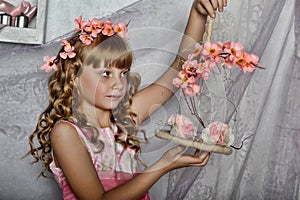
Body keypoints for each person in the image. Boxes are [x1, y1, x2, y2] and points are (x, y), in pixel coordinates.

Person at [28, 0, 227, 199]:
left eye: (123, 73)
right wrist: (162, 166)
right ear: (74, 75)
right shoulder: (66, 133)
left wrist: (197, 12)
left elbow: (182, 67)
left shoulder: (125, 118)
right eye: (106, 73)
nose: (118, 83)